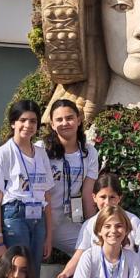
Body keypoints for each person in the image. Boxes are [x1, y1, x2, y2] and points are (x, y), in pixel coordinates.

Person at [0, 99, 54, 271]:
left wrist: (49, 236)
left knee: (34, 275)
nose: (28, 125)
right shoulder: (4, 153)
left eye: (33, 121)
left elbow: (47, 196)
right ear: (13, 123)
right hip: (15, 215)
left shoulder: (41, 154)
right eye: (23, 120)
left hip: (38, 217)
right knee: (17, 272)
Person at [57, 173, 140, 278]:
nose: (107, 202)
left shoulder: (135, 223)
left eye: (112, 197)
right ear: (94, 197)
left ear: (119, 198)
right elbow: (79, 256)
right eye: (103, 197)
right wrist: (65, 273)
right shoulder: (89, 225)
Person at [43, 98, 98, 257]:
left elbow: (88, 195)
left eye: (69, 118)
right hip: (38, 220)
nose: (65, 123)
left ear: (79, 120)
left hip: (63, 222)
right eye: (59, 119)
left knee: (92, 251)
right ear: (52, 124)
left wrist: (94, 229)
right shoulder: (41, 150)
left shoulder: (89, 153)